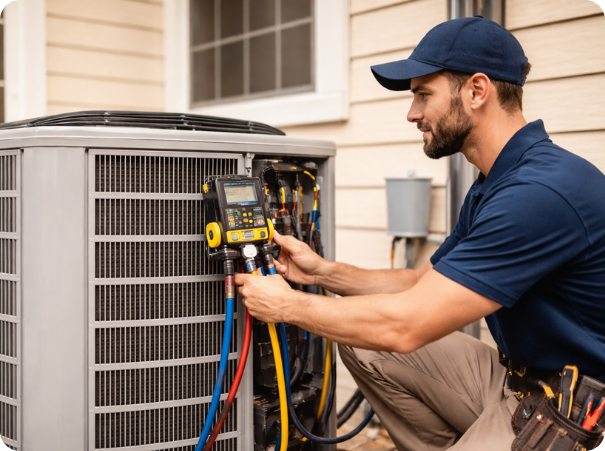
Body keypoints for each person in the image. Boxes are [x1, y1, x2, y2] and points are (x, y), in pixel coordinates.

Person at [235, 16, 605, 451]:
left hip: (576, 409)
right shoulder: (497, 181)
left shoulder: (537, 194)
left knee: (384, 333)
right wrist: (322, 274)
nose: (412, 113)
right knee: (365, 346)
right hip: (518, 381)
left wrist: (287, 306)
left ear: (477, 91)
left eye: (423, 95)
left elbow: (406, 325)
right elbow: (419, 283)